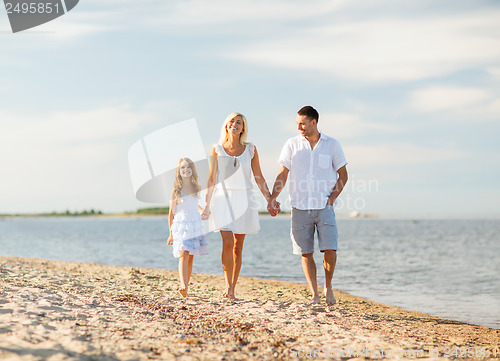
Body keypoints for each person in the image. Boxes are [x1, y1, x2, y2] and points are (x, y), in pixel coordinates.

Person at [268, 106, 348, 305]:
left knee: (330, 249)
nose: (299, 128)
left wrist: (331, 199)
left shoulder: (332, 145)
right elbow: (283, 173)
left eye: (302, 124)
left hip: (324, 206)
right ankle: (315, 295)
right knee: (306, 252)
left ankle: (328, 288)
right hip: (299, 207)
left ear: (314, 122)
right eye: (297, 124)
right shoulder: (292, 144)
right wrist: (272, 197)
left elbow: (343, 175)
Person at [204, 112, 272, 300]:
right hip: (222, 200)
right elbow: (211, 178)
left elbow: (258, 177)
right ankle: (227, 285)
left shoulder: (251, 149)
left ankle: (232, 287)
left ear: (243, 128)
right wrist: (206, 204)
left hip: (244, 200)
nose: (235, 124)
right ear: (226, 126)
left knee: (237, 247)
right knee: (226, 243)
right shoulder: (217, 149)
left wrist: (270, 199)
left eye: (239, 122)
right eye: (232, 121)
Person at [167, 157, 209, 298]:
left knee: (190, 256)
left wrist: (203, 210)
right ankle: (183, 285)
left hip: (194, 225)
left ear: (192, 170)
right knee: (183, 254)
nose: (186, 170)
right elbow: (171, 213)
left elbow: (194, 204)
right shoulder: (176, 191)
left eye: (188, 167)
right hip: (181, 225)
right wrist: (171, 234)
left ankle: (186, 287)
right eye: (183, 168)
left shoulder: (196, 188)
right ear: (179, 172)